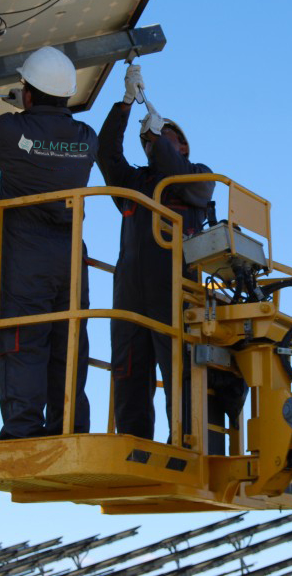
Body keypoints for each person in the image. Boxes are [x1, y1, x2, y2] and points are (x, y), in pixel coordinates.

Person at [0, 46, 97, 440]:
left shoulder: (12, 133)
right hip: (71, 258)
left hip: (27, 254)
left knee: (22, 340)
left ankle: (22, 430)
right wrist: (33, 110)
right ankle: (70, 428)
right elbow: (55, 137)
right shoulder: (86, 139)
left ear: (29, 92)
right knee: (68, 341)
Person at [97, 65, 215, 446]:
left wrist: (158, 136)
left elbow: (174, 167)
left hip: (176, 290)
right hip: (130, 292)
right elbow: (106, 153)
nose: (156, 139)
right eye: (150, 138)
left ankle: (185, 442)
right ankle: (134, 444)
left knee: (179, 368)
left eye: (168, 135)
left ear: (182, 147)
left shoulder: (197, 179)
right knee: (129, 369)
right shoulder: (134, 183)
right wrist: (126, 105)